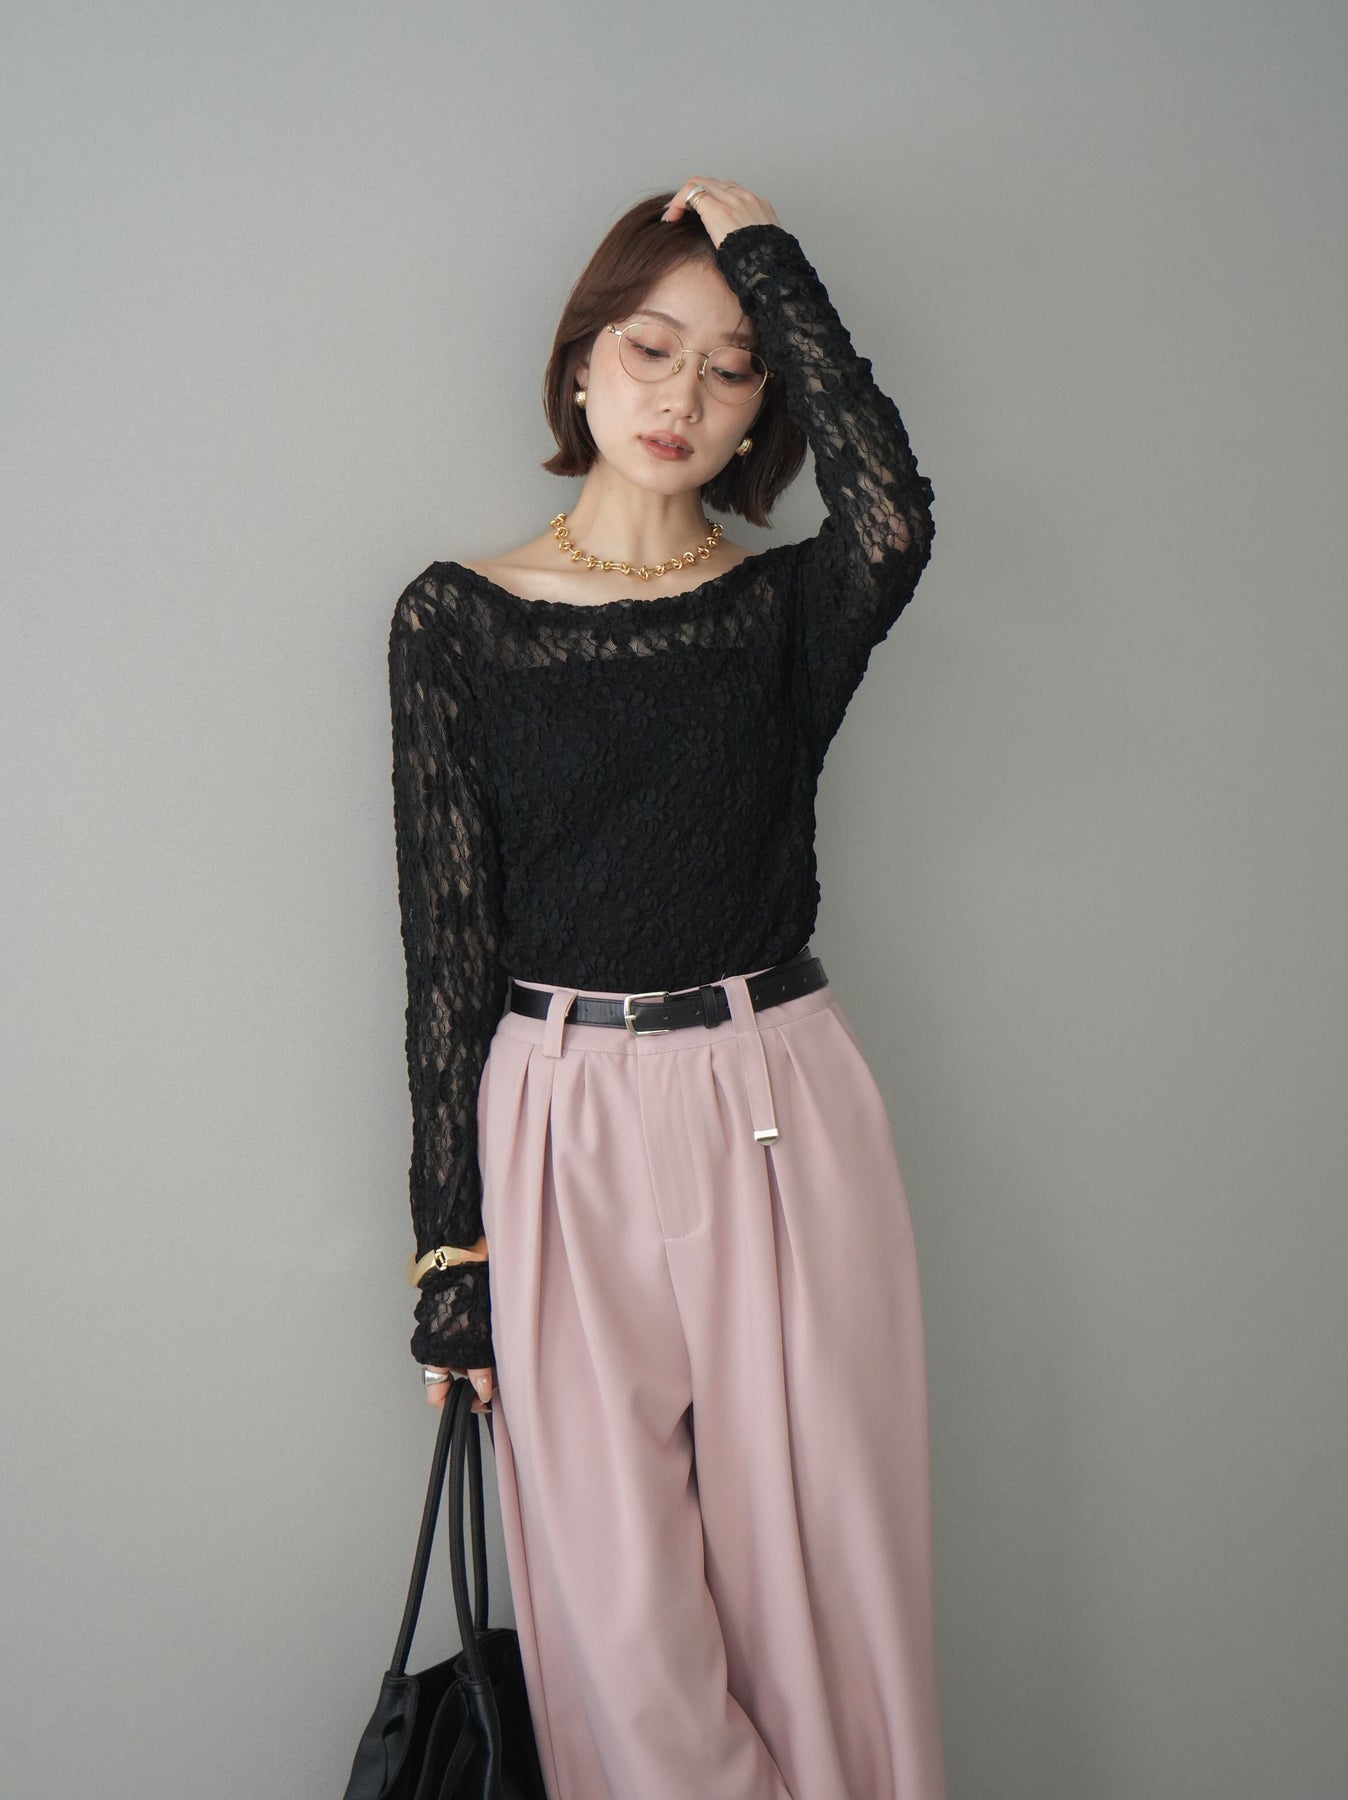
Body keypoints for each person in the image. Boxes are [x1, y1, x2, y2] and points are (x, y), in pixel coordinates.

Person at [387, 176, 947, 1799]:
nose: (682, 396)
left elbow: (895, 516)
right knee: (621, 1630)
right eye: (650, 347)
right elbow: (445, 947)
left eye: (731, 365)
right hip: (558, 1115)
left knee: (821, 1591)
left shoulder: (783, 613)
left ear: (766, 403)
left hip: (778, 1096)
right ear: (581, 362)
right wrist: (449, 1250)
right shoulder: (456, 620)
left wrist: (771, 262)